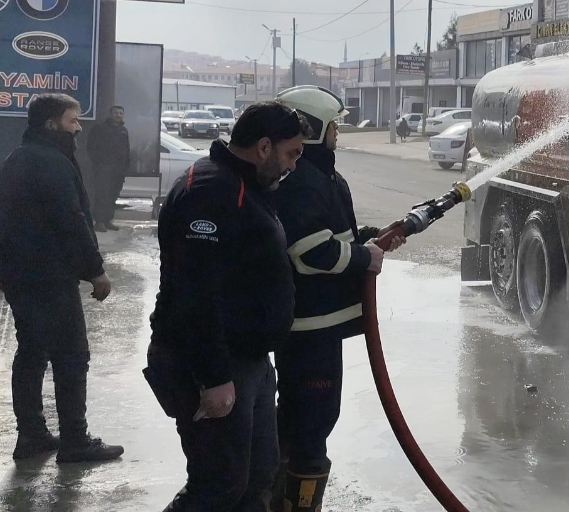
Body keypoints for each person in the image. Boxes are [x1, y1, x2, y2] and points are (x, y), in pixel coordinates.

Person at [146, 101, 308, 511]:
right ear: (265, 147)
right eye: (291, 154)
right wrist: (214, 377)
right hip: (211, 363)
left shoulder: (248, 187)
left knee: (256, 478)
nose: (293, 165)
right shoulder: (211, 191)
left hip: (249, 360)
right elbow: (194, 294)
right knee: (218, 486)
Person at [271, 86, 404, 511]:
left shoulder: (322, 174)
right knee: (312, 421)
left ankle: (275, 496)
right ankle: (294, 501)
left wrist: (367, 238)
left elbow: (333, 235)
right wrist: (364, 257)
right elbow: (310, 253)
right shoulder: (302, 180)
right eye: (333, 126)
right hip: (311, 327)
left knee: (304, 417)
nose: (338, 133)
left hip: (323, 326)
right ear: (314, 129)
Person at [0, 93, 124, 463]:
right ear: (51, 125)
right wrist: (95, 270)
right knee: (72, 356)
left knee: (32, 352)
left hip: (20, 275)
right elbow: (71, 221)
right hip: (49, 275)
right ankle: (75, 441)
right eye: (72, 121)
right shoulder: (51, 162)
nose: (78, 127)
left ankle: (32, 436)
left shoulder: (18, 158)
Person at [86, 104, 131, 231]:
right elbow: (91, 146)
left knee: (113, 195)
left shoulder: (123, 130)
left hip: (119, 170)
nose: (118, 115)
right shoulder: (100, 128)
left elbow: (126, 149)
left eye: (121, 113)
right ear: (110, 114)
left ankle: (108, 220)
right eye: (116, 113)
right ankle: (99, 221)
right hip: (104, 168)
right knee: (102, 194)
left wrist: (126, 165)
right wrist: (98, 162)